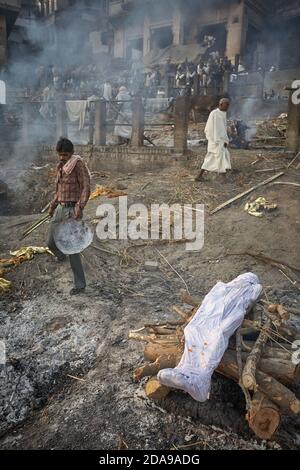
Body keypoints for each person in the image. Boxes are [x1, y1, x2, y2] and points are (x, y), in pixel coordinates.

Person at [48, 138, 91, 295]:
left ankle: (80, 285)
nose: (61, 157)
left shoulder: (78, 164)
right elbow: (58, 191)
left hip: (72, 210)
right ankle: (60, 256)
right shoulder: (61, 166)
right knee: (50, 242)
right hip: (60, 208)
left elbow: (86, 187)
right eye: (59, 154)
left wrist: (80, 207)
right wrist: (52, 206)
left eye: (65, 154)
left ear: (71, 153)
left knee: (73, 249)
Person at [195, 98, 231, 181]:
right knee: (219, 157)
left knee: (212, 158)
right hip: (216, 140)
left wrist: (224, 139)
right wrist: (220, 140)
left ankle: (199, 176)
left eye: (228, 105)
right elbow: (215, 129)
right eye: (226, 104)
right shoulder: (215, 114)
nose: (228, 107)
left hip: (219, 140)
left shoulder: (222, 113)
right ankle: (223, 178)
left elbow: (222, 128)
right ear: (221, 104)